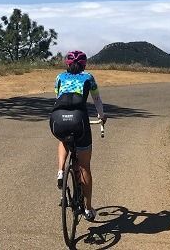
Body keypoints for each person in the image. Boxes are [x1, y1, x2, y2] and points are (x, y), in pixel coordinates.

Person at [49, 50, 107, 222]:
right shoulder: (88, 77)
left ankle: (60, 171)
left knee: (63, 140)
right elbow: (96, 100)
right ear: (84, 65)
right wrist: (101, 116)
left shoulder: (59, 77)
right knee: (84, 167)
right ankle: (88, 209)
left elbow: (58, 96)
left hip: (57, 118)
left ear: (67, 64)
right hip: (79, 120)